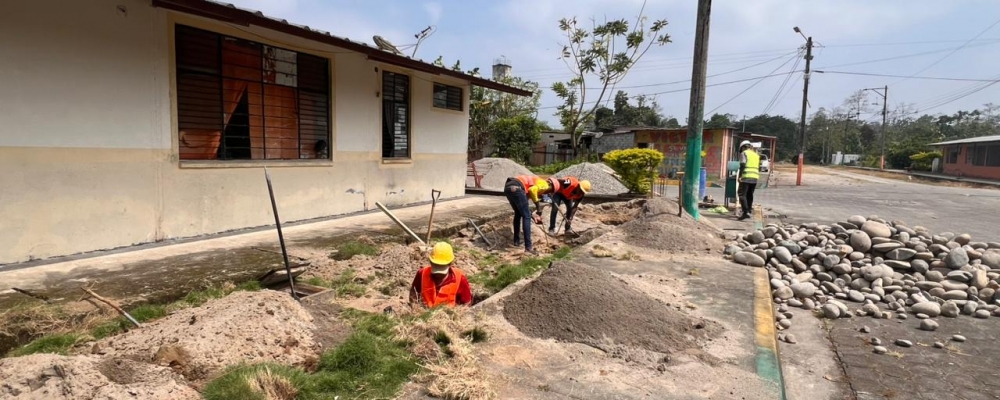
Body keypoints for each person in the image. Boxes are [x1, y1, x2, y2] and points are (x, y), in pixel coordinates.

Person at [409, 242, 471, 308]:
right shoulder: (422, 274)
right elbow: (413, 293)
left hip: (448, 316)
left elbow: (466, 304)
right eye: (436, 267)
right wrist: (416, 307)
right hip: (425, 314)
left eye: (441, 269)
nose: (438, 275)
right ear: (430, 262)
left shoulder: (460, 278)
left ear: (450, 264)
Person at [503, 175, 553, 254]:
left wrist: (533, 215)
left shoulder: (530, 184)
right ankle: (528, 247)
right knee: (526, 217)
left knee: (518, 213)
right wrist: (538, 206)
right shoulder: (545, 185)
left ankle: (516, 241)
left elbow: (523, 206)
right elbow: (532, 190)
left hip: (508, 187)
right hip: (517, 187)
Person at [737, 140, 760, 221]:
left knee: (741, 194)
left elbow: (742, 165)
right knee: (749, 195)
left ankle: (745, 212)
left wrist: (740, 176)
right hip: (755, 177)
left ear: (743, 147)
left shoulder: (744, 153)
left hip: (746, 177)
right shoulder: (756, 155)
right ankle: (749, 211)